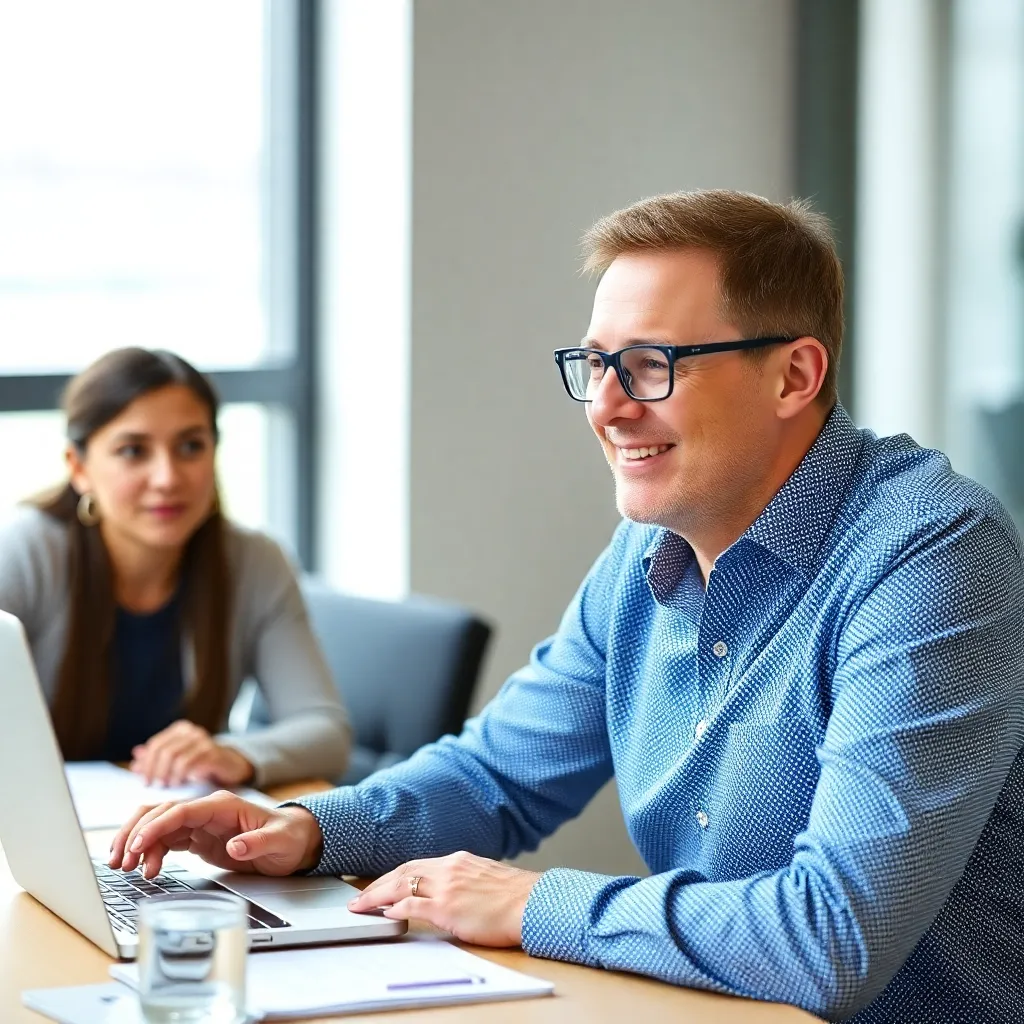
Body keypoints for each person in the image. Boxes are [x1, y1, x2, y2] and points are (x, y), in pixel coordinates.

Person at [109, 192, 1024, 1022]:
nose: (608, 407)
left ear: (794, 375)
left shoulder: (933, 554)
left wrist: (528, 903)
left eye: (652, 365)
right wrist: (307, 830)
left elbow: (832, 937)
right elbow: (498, 776)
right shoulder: (650, 545)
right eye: (595, 365)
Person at [0, 347, 351, 788]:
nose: (167, 477)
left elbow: (326, 731)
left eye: (190, 446)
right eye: (133, 451)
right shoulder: (25, 552)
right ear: (79, 468)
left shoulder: (254, 561)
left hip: (181, 817)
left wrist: (235, 754)